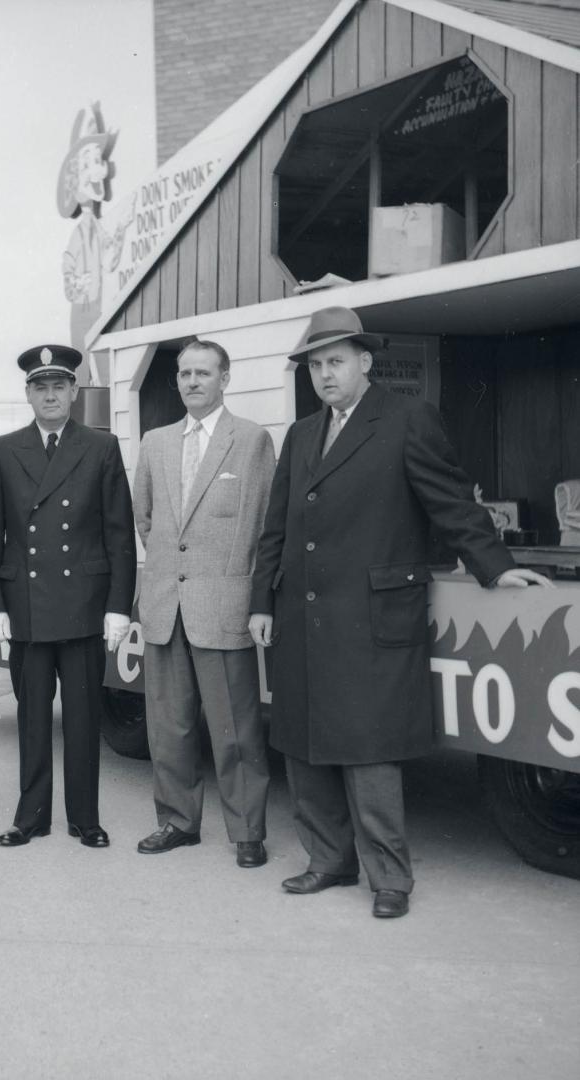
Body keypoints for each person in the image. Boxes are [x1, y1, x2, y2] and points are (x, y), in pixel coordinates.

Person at [248, 306, 551, 919]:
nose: (325, 375)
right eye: (315, 366)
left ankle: (390, 878)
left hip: (371, 613)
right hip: (301, 614)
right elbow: (275, 527)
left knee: (369, 747)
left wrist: (494, 564)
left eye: (336, 362)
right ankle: (328, 861)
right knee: (304, 742)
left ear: (365, 362)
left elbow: (451, 503)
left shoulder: (409, 418)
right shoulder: (302, 434)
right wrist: (261, 601)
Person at [0, 344, 136, 847]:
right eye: (40, 387)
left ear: (73, 392)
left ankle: (85, 818)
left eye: (59, 386)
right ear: (28, 394)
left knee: (85, 719)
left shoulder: (101, 447)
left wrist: (117, 606)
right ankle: (32, 816)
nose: (50, 396)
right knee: (32, 717)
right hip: (27, 606)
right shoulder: (3, 450)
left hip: (84, 606)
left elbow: (119, 533)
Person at [132, 338, 275, 867]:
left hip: (223, 605)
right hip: (167, 603)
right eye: (185, 373)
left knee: (235, 729)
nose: (192, 381)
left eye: (204, 373)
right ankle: (176, 822)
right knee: (168, 727)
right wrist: (175, 571)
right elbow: (145, 518)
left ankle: (247, 832)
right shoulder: (156, 441)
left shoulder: (253, 440)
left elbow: (261, 525)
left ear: (225, 378)